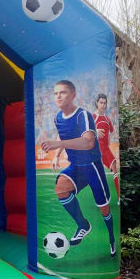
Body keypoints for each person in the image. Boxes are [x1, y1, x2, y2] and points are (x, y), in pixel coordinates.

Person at [40, 80, 116, 256]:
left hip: (92, 166)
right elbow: (63, 135)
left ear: (73, 95)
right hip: (76, 166)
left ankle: (112, 239)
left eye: (63, 92)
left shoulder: (83, 115)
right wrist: (57, 154)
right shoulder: (58, 118)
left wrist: (59, 144)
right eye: (56, 93)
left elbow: (88, 142)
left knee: (104, 208)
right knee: (61, 189)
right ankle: (83, 225)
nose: (58, 96)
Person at [93, 93, 120, 197]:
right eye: (101, 102)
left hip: (105, 149)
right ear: (97, 103)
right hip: (95, 150)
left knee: (114, 166)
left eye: (105, 103)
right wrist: (95, 131)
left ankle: (119, 197)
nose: (103, 105)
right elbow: (84, 132)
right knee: (98, 175)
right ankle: (100, 197)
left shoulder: (107, 119)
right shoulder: (92, 117)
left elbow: (112, 133)